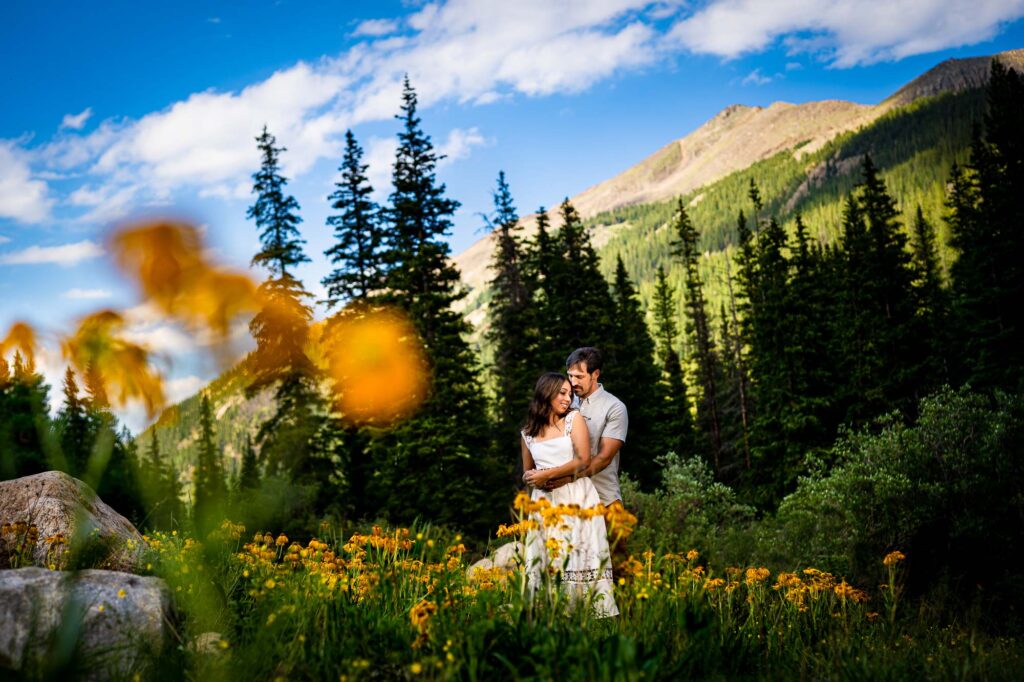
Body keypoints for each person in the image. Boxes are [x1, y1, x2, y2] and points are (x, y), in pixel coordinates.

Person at [520, 372, 618, 617]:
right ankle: (552, 613)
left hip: (576, 497)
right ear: (546, 393)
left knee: (577, 552)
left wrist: (548, 474)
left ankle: (591, 613)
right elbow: (527, 471)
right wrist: (532, 478)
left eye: (570, 393)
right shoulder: (527, 433)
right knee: (550, 556)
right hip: (544, 501)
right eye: (562, 393)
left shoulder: (574, 420)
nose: (568, 398)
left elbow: (583, 460)